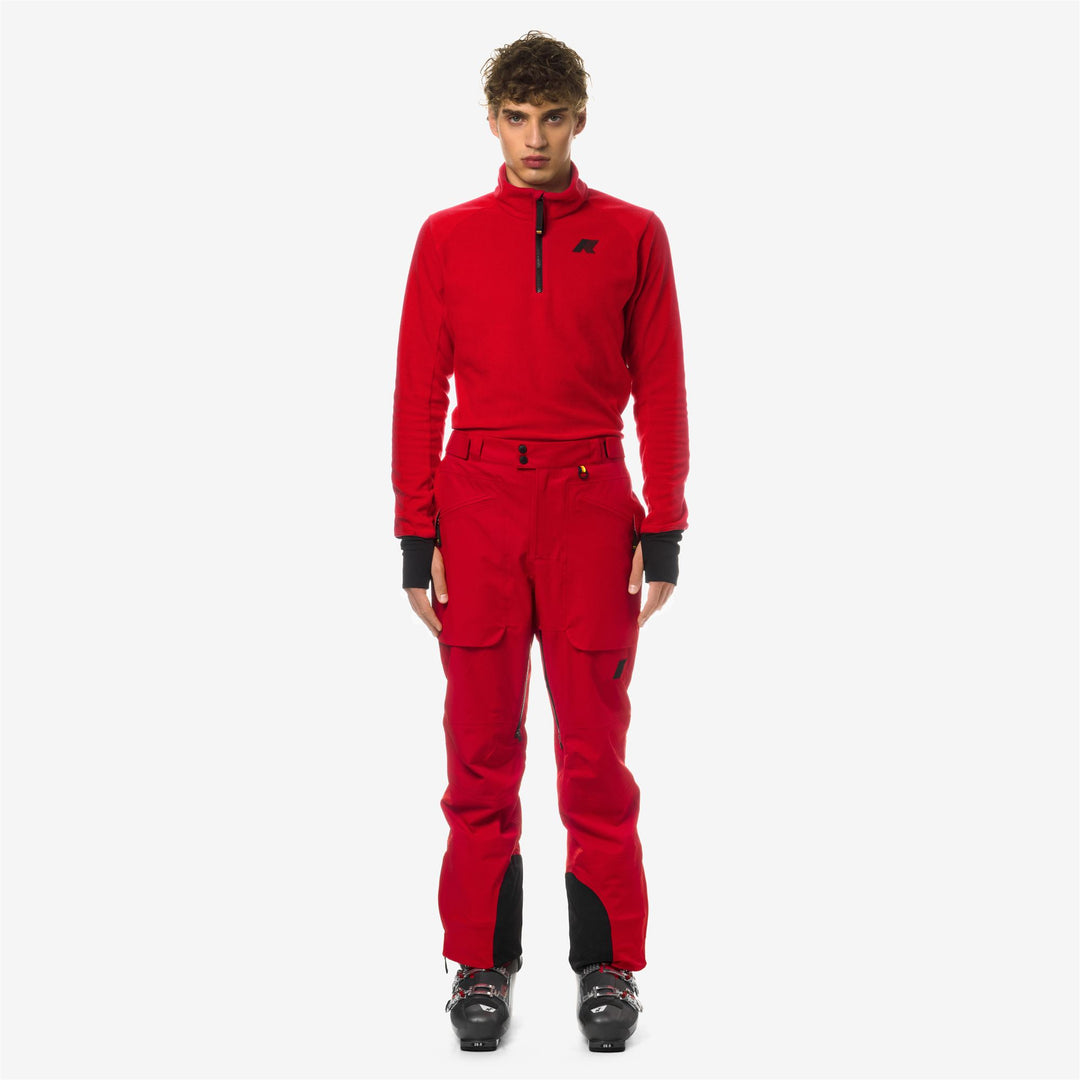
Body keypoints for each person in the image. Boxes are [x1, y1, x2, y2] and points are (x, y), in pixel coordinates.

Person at [391, 29, 689, 1053]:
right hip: (475, 501)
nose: (534, 137)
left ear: (579, 120)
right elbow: (419, 389)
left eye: (551, 117)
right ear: (492, 122)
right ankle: (480, 962)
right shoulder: (447, 238)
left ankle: (609, 966)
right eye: (517, 117)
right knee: (479, 752)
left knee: (594, 753)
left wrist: (664, 523)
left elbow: (663, 386)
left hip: (591, 501)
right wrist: (414, 528)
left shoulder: (635, 234)